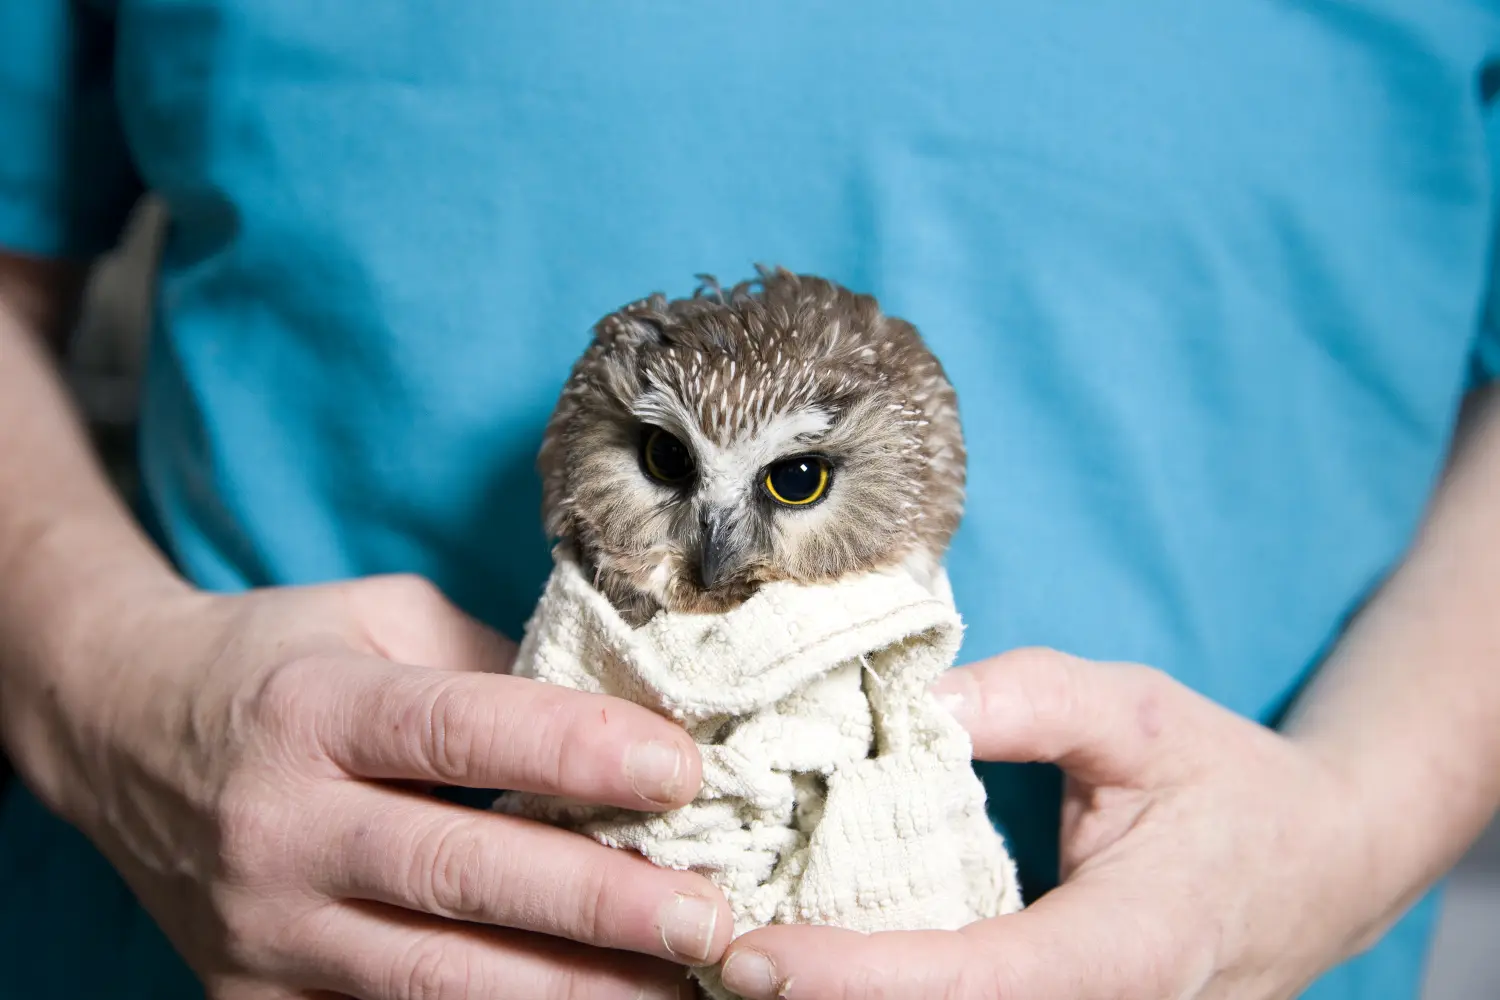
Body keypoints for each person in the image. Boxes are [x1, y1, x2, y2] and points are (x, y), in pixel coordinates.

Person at [1, 3, 1498, 998]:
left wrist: (1357, 827)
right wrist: (98, 686)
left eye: (787, 482)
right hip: (239, 948)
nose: (726, 552)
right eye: (671, 471)